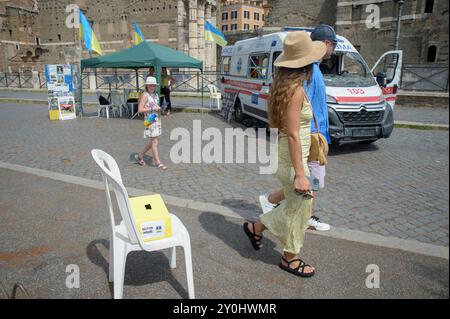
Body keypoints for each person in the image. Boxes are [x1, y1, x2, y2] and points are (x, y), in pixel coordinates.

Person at [243, 31, 327, 278]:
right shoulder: (296, 90)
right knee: (300, 207)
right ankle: (290, 258)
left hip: (289, 156)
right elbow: (291, 133)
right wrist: (301, 173)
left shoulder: (282, 86)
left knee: (298, 205)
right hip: (293, 160)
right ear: (307, 64)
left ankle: (255, 227)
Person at [259, 25, 339, 232]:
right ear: (326, 44)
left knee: (308, 184)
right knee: (309, 184)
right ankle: (265, 223)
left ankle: (269, 215)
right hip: (309, 136)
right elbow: (296, 122)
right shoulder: (305, 74)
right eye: (333, 45)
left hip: (311, 135)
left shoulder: (309, 72)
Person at [135, 77, 167, 170]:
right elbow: (140, 109)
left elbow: (155, 106)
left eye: (154, 85)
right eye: (150, 85)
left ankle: (140, 155)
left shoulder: (155, 95)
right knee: (154, 141)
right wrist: (153, 109)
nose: (152, 87)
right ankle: (158, 163)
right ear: (147, 86)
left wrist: (161, 109)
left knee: (153, 141)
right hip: (149, 119)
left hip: (156, 118)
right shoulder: (145, 95)